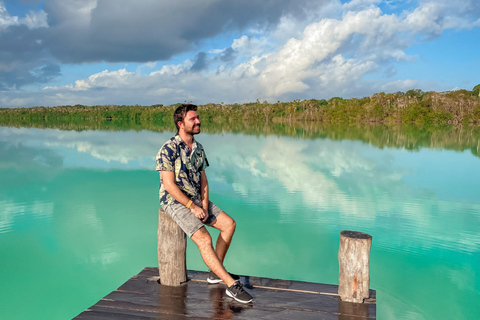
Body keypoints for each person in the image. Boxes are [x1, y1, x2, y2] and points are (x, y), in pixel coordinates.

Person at [155, 103, 253, 304]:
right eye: (193, 119)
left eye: (198, 117)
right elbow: (169, 185)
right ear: (181, 124)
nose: (198, 121)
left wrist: (205, 205)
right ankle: (230, 285)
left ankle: (214, 272)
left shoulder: (198, 148)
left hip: (197, 199)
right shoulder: (168, 148)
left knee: (229, 224)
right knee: (204, 238)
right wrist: (192, 206)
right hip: (175, 202)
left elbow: (204, 180)